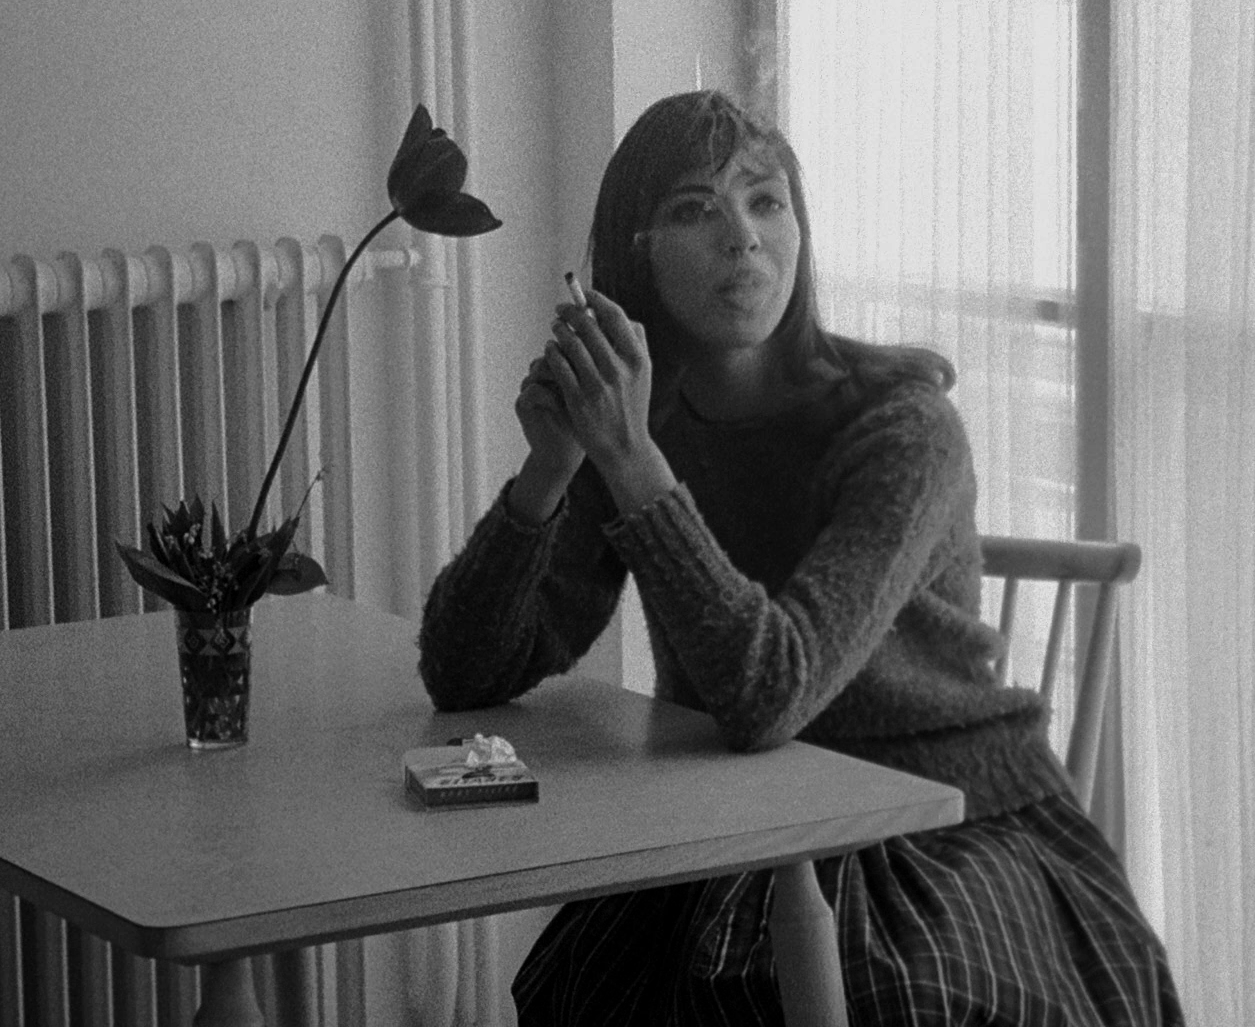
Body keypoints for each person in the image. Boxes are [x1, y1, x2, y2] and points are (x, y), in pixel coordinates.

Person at [415, 90, 1184, 1027]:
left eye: (765, 200)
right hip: (741, 815)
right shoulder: (642, 428)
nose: (742, 236)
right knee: (594, 992)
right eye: (694, 209)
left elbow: (769, 690)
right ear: (635, 254)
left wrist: (630, 458)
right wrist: (549, 469)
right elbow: (466, 671)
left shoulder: (904, 428)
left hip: (941, 822)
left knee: (876, 1001)